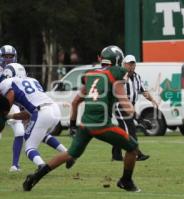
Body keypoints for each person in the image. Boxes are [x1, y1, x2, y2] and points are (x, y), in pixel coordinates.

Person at [22, 45, 141, 192]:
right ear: (118, 60)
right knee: (133, 147)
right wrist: (136, 115)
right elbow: (125, 103)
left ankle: (35, 177)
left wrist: (72, 125)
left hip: (84, 125)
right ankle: (126, 181)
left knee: (70, 153)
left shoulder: (91, 74)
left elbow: (76, 101)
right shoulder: (115, 74)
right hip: (102, 125)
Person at [0, 63, 71, 169]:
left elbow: (10, 96)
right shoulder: (33, 81)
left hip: (41, 112)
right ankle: (67, 153)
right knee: (40, 134)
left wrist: (4, 113)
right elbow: (26, 114)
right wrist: (9, 116)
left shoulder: (8, 82)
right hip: (55, 110)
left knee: (29, 147)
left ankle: (41, 166)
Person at [112, 54, 157, 161]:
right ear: (124, 64)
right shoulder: (121, 76)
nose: (131, 66)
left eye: (133, 64)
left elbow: (143, 91)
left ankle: (116, 154)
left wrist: (153, 100)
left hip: (130, 106)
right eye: (129, 64)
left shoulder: (137, 77)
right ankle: (137, 154)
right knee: (130, 131)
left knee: (123, 131)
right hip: (121, 106)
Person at [0, 45, 25, 172]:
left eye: (11, 57)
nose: (8, 59)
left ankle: (15, 165)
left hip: (12, 103)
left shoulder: (17, 68)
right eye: (5, 57)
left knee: (20, 131)